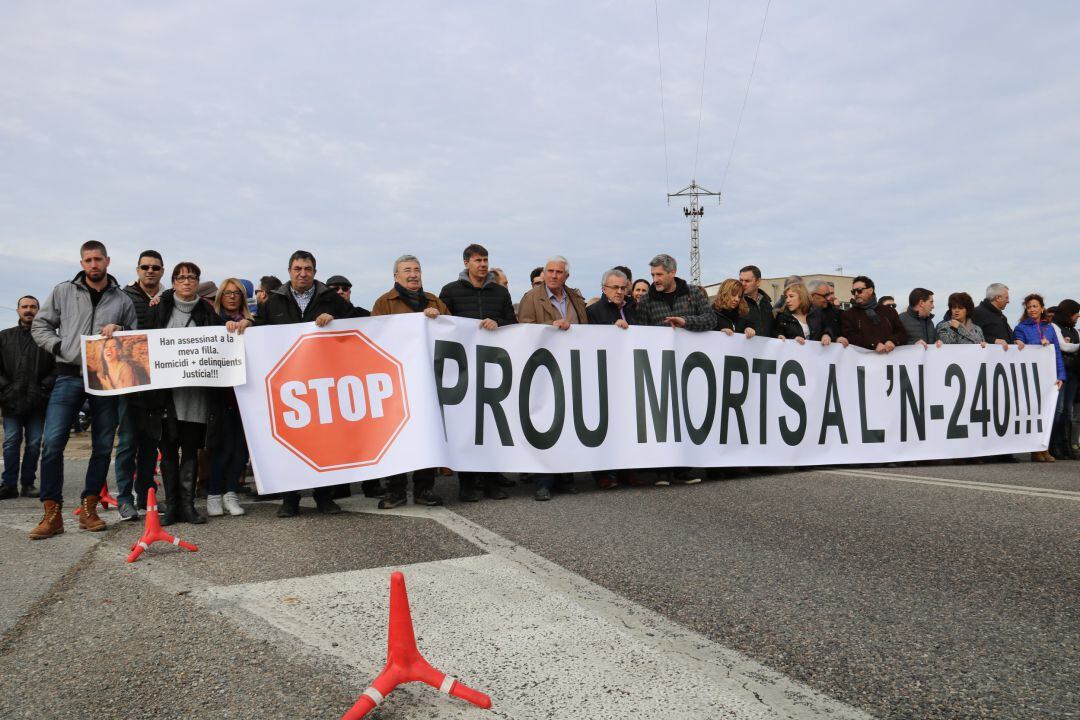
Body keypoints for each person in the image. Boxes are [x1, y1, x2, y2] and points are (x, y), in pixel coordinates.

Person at [29, 241, 137, 539]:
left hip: (105, 379)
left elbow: (135, 336)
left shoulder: (122, 299)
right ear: (81, 262)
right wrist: (59, 346)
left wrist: (121, 331)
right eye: (88, 260)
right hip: (68, 376)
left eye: (98, 259)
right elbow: (41, 326)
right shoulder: (63, 291)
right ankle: (52, 513)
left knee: (102, 446)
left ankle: (90, 508)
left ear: (108, 261)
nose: (93, 265)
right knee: (52, 443)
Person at [249, 250, 356, 516]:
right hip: (287, 383)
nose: (302, 273)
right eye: (297, 269)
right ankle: (290, 498)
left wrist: (335, 320)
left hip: (322, 380)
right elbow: (258, 331)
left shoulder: (330, 298)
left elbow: (356, 322)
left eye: (307, 269)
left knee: (323, 440)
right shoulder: (273, 302)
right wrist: (245, 326)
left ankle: (324, 496)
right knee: (289, 441)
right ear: (289, 271)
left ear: (315, 272)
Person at [141, 262, 225, 524]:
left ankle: (188, 506)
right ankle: (173, 505)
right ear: (174, 282)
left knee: (190, 450)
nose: (187, 281)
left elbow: (222, 342)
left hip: (196, 395)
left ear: (198, 281)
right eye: (181, 277)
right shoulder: (159, 308)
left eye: (192, 277)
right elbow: (143, 342)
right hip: (166, 396)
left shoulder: (209, 312)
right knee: (167, 452)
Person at [439, 244, 518, 502]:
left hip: (494, 366)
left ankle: (493, 481)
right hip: (463, 368)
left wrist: (500, 323)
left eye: (485, 260)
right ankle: (468, 483)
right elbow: (443, 323)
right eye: (477, 260)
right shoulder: (450, 291)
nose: (483, 264)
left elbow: (513, 324)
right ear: (466, 263)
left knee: (493, 426)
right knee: (466, 426)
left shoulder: (499, 292)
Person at [370, 255, 450, 508]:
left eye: (417, 270)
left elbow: (452, 331)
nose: (413, 274)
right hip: (396, 380)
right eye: (407, 270)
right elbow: (374, 337)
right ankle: (394, 489)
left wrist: (440, 320)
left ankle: (424, 488)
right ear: (396, 276)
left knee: (427, 433)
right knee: (396, 435)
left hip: (428, 379)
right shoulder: (384, 303)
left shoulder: (435, 301)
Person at [516, 256, 589, 500]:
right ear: (545, 273)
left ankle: (565, 477)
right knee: (546, 421)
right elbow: (525, 329)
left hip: (571, 368)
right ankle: (543, 481)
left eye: (559, 272)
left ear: (566, 276)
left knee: (568, 420)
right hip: (544, 368)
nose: (554, 275)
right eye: (550, 271)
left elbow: (586, 329)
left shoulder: (576, 299)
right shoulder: (531, 298)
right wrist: (550, 326)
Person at [637, 254, 711, 486]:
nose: (655, 279)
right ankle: (661, 470)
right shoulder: (647, 300)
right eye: (653, 275)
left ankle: (682, 468)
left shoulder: (693, 293)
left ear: (672, 272)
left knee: (686, 413)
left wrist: (686, 322)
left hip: (689, 365)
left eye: (659, 274)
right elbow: (641, 330)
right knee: (662, 415)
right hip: (660, 365)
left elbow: (710, 320)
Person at [115, 250, 165, 518]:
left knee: (150, 444)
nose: (150, 271)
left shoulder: (167, 298)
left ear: (162, 271)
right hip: (130, 380)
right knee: (126, 443)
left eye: (155, 267)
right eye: (145, 267)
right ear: (137, 270)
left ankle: (147, 494)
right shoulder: (123, 296)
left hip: (158, 382)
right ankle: (124, 498)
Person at [585, 269, 638, 488]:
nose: (619, 291)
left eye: (623, 288)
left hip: (630, 372)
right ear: (604, 288)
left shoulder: (634, 309)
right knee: (605, 424)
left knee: (627, 423)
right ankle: (603, 473)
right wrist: (611, 330)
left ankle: (626, 469)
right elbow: (588, 338)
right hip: (604, 374)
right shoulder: (593, 311)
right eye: (614, 287)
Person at [205, 278, 253, 518]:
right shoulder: (211, 322)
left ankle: (231, 492)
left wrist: (249, 325)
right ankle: (214, 493)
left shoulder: (254, 323)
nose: (232, 297)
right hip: (220, 395)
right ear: (220, 296)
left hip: (246, 395)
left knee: (240, 449)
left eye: (237, 293)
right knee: (220, 448)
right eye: (228, 293)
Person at [0, 296, 55, 500]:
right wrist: (6, 389)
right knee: (12, 442)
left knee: (33, 443)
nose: (28, 310)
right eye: (25, 307)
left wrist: (43, 388)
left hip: (37, 402)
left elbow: (57, 368)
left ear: (39, 311)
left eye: (33, 307)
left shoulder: (47, 338)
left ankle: (28, 484)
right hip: (10, 401)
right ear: (17, 310)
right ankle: (9, 485)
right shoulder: (4, 337)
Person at [1013, 293, 1066, 463]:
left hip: (1050, 377)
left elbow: (1057, 353)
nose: (1032, 309)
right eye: (1029, 307)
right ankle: (1035, 449)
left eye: (1035, 306)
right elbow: (1019, 342)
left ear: (1042, 308)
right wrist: (1019, 343)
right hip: (1033, 377)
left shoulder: (1049, 329)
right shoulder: (1021, 327)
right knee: (1035, 412)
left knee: (1053, 413)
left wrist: (1061, 375)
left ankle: (1045, 446)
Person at [841, 275, 907, 353]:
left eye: (859, 290)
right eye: (853, 291)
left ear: (870, 290)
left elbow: (902, 333)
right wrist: (873, 343)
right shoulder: (848, 314)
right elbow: (850, 337)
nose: (856, 294)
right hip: (864, 362)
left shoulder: (889, 311)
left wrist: (893, 341)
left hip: (890, 359)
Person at [1049, 298, 1080, 459]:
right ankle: (1054, 444)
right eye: (1076, 314)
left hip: (1073, 373)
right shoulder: (1054, 327)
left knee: (1068, 411)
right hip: (1061, 373)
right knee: (1059, 410)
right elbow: (1063, 346)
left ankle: (1066, 445)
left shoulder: (1074, 330)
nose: (1078, 317)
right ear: (1069, 313)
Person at [972, 283, 1025, 350]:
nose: (1008, 301)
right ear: (998, 298)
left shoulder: (1002, 317)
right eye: (1006, 298)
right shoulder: (977, 312)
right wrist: (993, 341)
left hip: (1003, 358)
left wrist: (1015, 341)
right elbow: (970, 337)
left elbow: (1007, 338)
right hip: (986, 359)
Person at [739, 265, 776, 337]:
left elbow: (772, 328)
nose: (743, 284)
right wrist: (745, 329)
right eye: (741, 280)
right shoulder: (735, 302)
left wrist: (779, 334)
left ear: (758, 282)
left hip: (765, 347)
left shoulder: (767, 303)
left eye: (747, 281)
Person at [806, 280, 845, 345]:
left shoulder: (835, 313)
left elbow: (829, 334)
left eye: (830, 294)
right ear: (812, 296)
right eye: (825, 295)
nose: (828, 298)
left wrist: (835, 339)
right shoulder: (799, 312)